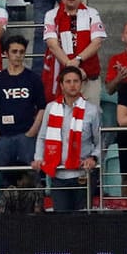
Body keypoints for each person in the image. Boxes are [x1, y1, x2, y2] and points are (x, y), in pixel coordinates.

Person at [35, 65, 99, 212]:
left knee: (82, 221)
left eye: (76, 81)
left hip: (83, 175)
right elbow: (42, 137)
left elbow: (99, 142)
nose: (72, 85)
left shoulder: (92, 110)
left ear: (81, 84)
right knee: (61, 221)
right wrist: (38, 157)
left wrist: (93, 158)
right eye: (68, 81)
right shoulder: (51, 108)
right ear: (62, 85)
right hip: (58, 174)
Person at [0, 36, 45, 170]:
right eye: (14, 51)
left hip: (26, 136)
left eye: (21, 51)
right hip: (4, 137)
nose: (18, 55)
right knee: (5, 179)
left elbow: (42, 108)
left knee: (28, 177)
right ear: (6, 54)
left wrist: (32, 132)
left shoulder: (33, 79)